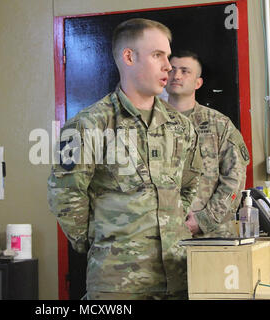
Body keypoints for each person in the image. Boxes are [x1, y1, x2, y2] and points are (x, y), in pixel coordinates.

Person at [47, 19, 202, 300]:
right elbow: (65, 195)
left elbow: (189, 185)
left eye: (167, 55)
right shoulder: (89, 125)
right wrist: (102, 240)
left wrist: (171, 225)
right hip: (118, 284)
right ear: (129, 57)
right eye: (158, 55)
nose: (168, 65)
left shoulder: (181, 126)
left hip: (177, 278)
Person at [165, 50, 250, 237]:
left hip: (208, 236)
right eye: (172, 70)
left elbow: (235, 180)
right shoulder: (149, 122)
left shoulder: (219, 124)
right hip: (158, 236)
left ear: (198, 83)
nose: (176, 75)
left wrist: (206, 219)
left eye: (185, 71)